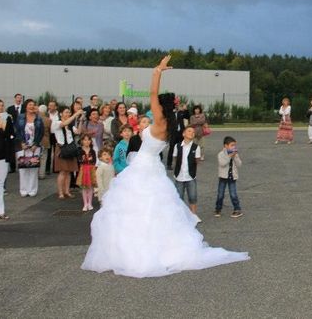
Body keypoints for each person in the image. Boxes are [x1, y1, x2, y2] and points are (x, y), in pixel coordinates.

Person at [81, 54, 249, 277]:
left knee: (135, 205)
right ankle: (150, 242)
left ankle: (137, 246)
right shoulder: (169, 126)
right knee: (151, 206)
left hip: (142, 167)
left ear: (161, 105)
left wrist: (157, 71)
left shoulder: (158, 119)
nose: (155, 102)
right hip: (150, 167)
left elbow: (152, 93)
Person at [52, 106, 84, 199]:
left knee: (69, 171)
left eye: (69, 112)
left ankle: (67, 191)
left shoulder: (70, 125)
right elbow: (63, 124)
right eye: (66, 112)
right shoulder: (57, 122)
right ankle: (60, 192)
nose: (68, 114)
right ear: (61, 114)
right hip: (62, 148)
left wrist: (81, 120)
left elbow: (78, 131)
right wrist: (76, 114)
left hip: (70, 148)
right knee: (62, 171)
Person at [14, 99, 44, 197]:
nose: (31, 106)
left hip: (34, 146)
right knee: (23, 168)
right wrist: (21, 142)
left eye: (33, 105)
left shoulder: (39, 118)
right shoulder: (20, 117)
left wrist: (36, 143)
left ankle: (32, 190)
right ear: (26, 106)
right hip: (22, 146)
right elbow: (17, 131)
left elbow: (41, 132)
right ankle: (23, 190)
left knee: (33, 168)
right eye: (29, 104)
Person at [173, 126, 202, 220]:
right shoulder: (177, 146)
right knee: (179, 197)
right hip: (179, 176)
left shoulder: (196, 147)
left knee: (192, 196)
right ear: (183, 134)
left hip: (190, 176)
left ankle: (193, 215)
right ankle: (180, 216)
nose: (191, 133)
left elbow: (197, 160)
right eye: (189, 131)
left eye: (193, 132)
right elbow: (175, 158)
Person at [215, 136, 243, 218]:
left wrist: (235, 157)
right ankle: (218, 208)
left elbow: (239, 164)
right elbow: (222, 164)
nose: (234, 147)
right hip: (223, 177)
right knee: (220, 194)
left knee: (233, 194)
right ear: (226, 146)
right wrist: (229, 156)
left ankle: (237, 209)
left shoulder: (235, 154)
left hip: (232, 177)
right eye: (232, 145)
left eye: (235, 145)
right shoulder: (220, 154)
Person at [76, 134, 97, 212]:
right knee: (84, 187)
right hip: (83, 169)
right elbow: (79, 160)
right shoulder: (80, 150)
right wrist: (86, 159)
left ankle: (90, 203)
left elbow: (94, 161)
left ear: (91, 141)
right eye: (85, 140)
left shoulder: (92, 151)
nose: (87, 141)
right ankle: (85, 203)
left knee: (90, 186)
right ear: (81, 141)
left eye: (88, 140)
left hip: (91, 169)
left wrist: (88, 160)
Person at [166, 99, 188, 170]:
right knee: (171, 148)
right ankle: (169, 164)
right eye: (175, 105)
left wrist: (185, 109)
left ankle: (180, 164)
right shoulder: (170, 113)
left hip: (180, 133)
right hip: (173, 133)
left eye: (177, 105)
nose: (176, 106)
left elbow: (187, 116)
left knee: (180, 148)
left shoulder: (181, 112)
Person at [37, 104, 52, 180]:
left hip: (37, 140)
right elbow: (50, 131)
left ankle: (35, 173)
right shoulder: (48, 120)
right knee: (43, 158)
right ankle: (42, 174)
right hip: (45, 140)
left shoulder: (35, 119)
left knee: (36, 157)